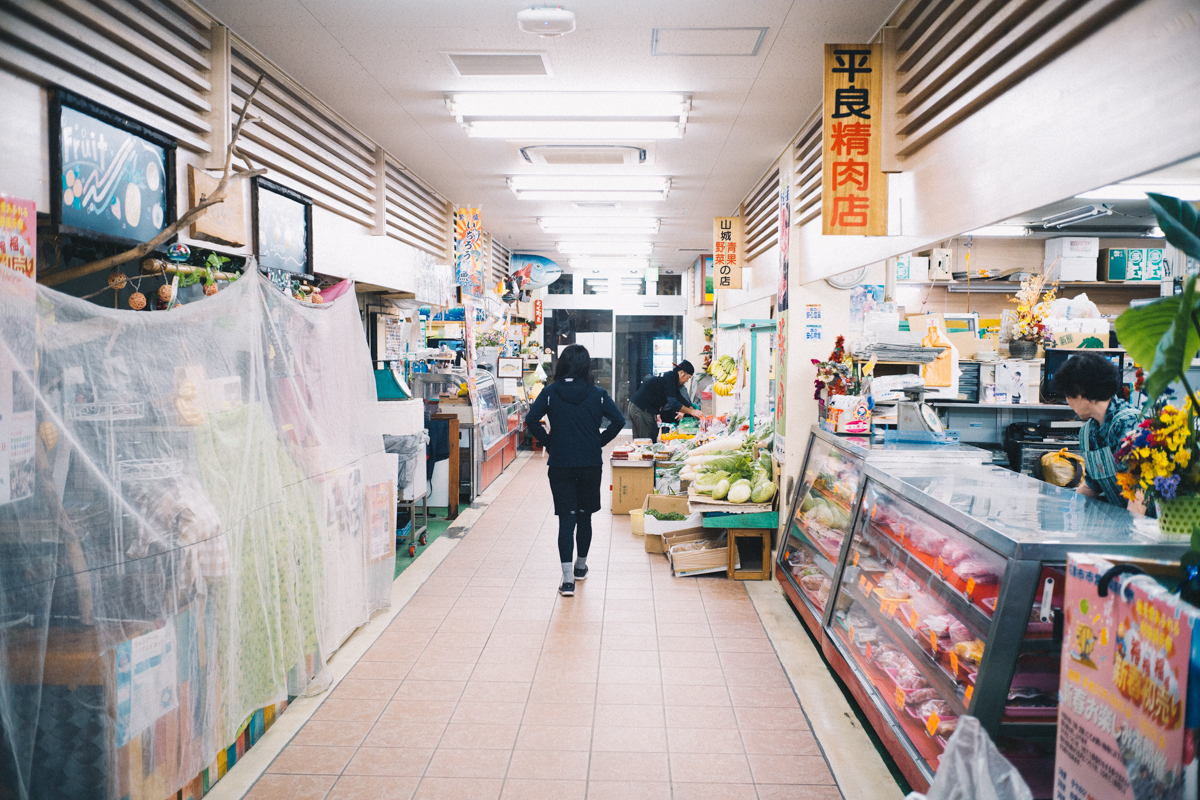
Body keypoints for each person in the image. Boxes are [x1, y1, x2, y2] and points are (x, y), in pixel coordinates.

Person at [525, 344, 625, 597]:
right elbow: (618, 421)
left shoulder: (549, 393)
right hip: (590, 463)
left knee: (566, 521)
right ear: (585, 366)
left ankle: (567, 580)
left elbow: (531, 420)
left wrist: (549, 442)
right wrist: (598, 442)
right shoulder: (598, 394)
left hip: (560, 465)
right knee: (585, 517)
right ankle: (580, 567)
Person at [1054, 352, 1142, 511]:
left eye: (1067, 394)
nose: (1067, 401)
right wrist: (1068, 510)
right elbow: (1093, 484)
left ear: (1079, 393)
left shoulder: (1129, 424)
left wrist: (1132, 533)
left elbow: (1140, 493)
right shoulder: (1088, 432)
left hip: (1154, 525)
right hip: (1124, 523)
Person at [628, 361, 701, 442]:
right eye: (688, 377)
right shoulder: (670, 380)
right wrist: (691, 412)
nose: (687, 381)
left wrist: (694, 411)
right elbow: (673, 404)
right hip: (641, 409)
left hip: (636, 406)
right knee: (646, 442)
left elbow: (680, 398)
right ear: (681, 373)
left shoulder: (671, 378)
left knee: (640, 441)